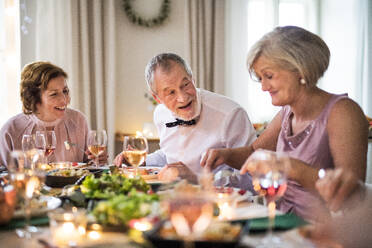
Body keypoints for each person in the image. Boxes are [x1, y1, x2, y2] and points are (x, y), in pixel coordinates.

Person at [201, 26, 369, 220]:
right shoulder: (287, 112)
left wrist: (290, 167)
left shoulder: (342, 112)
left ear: (300, 69)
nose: (263, 87)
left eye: (269, 76)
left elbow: (351, 193)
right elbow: (254, 153)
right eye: (260, 78)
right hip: (280, 223)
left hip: (322, 232)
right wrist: (225, 155)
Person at [114, 53, 257, 189]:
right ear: (157, 98)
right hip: (175, 198)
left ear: (193, 79)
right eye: (171, 92)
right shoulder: (160, 114)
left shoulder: (230, 114)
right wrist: (141, 161)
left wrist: (197, 179)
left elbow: (253, 179)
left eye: (185, 85)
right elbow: (170, 153)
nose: (183, 98)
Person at [0, 61, 106, 166]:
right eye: (54, 94)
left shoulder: (78, 120)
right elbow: (4, 176)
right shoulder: (11, 130)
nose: (64, 100)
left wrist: (97, 161)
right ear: (34, 98)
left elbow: (90, 166)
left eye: (65, 91)